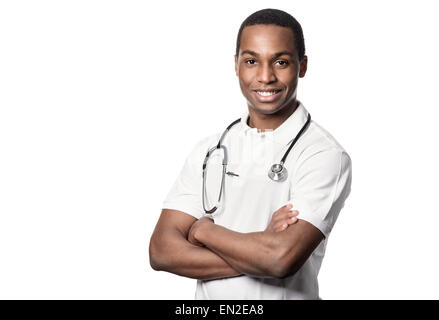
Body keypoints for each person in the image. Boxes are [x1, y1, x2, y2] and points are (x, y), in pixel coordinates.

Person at [149, 8, 352, 300]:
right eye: (252, 61)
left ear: (302, 66)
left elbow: (280, 259)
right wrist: (259, 248)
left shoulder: (323, 155)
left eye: (280, 62)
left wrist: (204, 232)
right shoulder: (210, 149)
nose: (266, 76)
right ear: (236, 65)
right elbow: (161, 251)